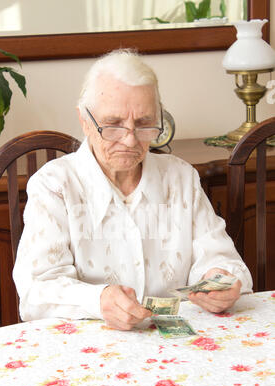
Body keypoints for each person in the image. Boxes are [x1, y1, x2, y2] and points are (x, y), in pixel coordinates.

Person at [13, 49, 253, 331]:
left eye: (144, 124)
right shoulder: (55, 186)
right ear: (84, 120)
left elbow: (220, 258)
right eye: (113, 124)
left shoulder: (180, 177)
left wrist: (220, 280)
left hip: (177, 347)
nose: (130, 140)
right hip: (89, 350)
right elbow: (35, 291)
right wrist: (98, 300)